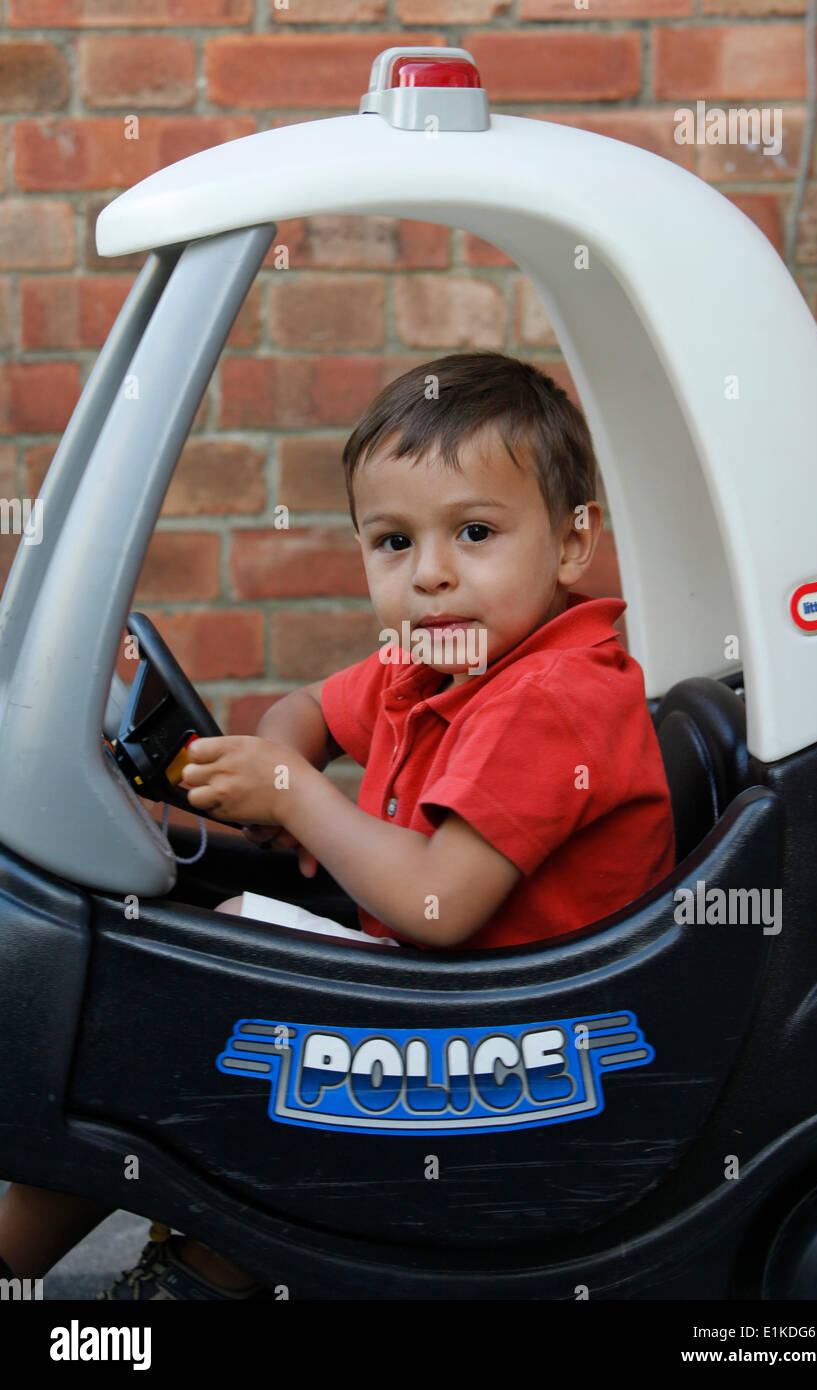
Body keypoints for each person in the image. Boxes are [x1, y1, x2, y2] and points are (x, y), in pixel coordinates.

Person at [0, 350, 675, 1298]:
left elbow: (441, 903)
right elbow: (306, 710)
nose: (430, 576)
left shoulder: (554, 697)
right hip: (432, 1012)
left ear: (571, 544)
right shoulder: (431, 662)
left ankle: (199, 1272)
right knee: (164, 969)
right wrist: (288, 777)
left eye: (474, 531)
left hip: (519, 1052)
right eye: (393, 542)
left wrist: (298, 795)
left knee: (184, 1009)